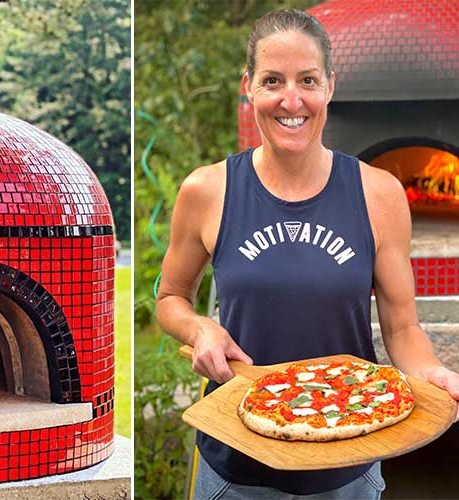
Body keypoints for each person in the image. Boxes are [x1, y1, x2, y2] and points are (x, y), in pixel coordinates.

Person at [155, 8, 459, 500]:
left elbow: (402, 327)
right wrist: (199, 327)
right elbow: (170, 297)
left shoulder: (378, 193)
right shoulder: (208, 189)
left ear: (331, 86)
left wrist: (429, 374)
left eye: (308, 80)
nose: (291, 100)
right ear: (248, 86)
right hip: (234, 467)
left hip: (351, 462)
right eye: (273, 80)